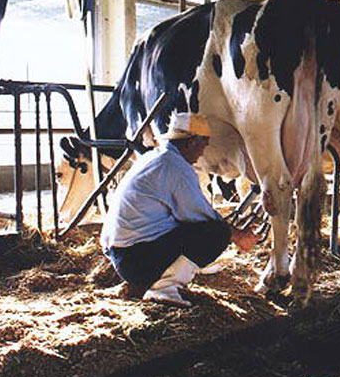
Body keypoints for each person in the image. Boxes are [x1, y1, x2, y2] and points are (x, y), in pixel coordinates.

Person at [100, 112, 258, 307]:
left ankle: (163, 278)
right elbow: (202, 218)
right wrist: (239, 236)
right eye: (203, 144)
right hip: (135, 260)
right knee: (216, 233)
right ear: (191, 142)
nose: (203, 151)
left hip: (120, 253)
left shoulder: (153, 156)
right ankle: (163, 288)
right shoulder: (175, 167)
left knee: (208, 229)